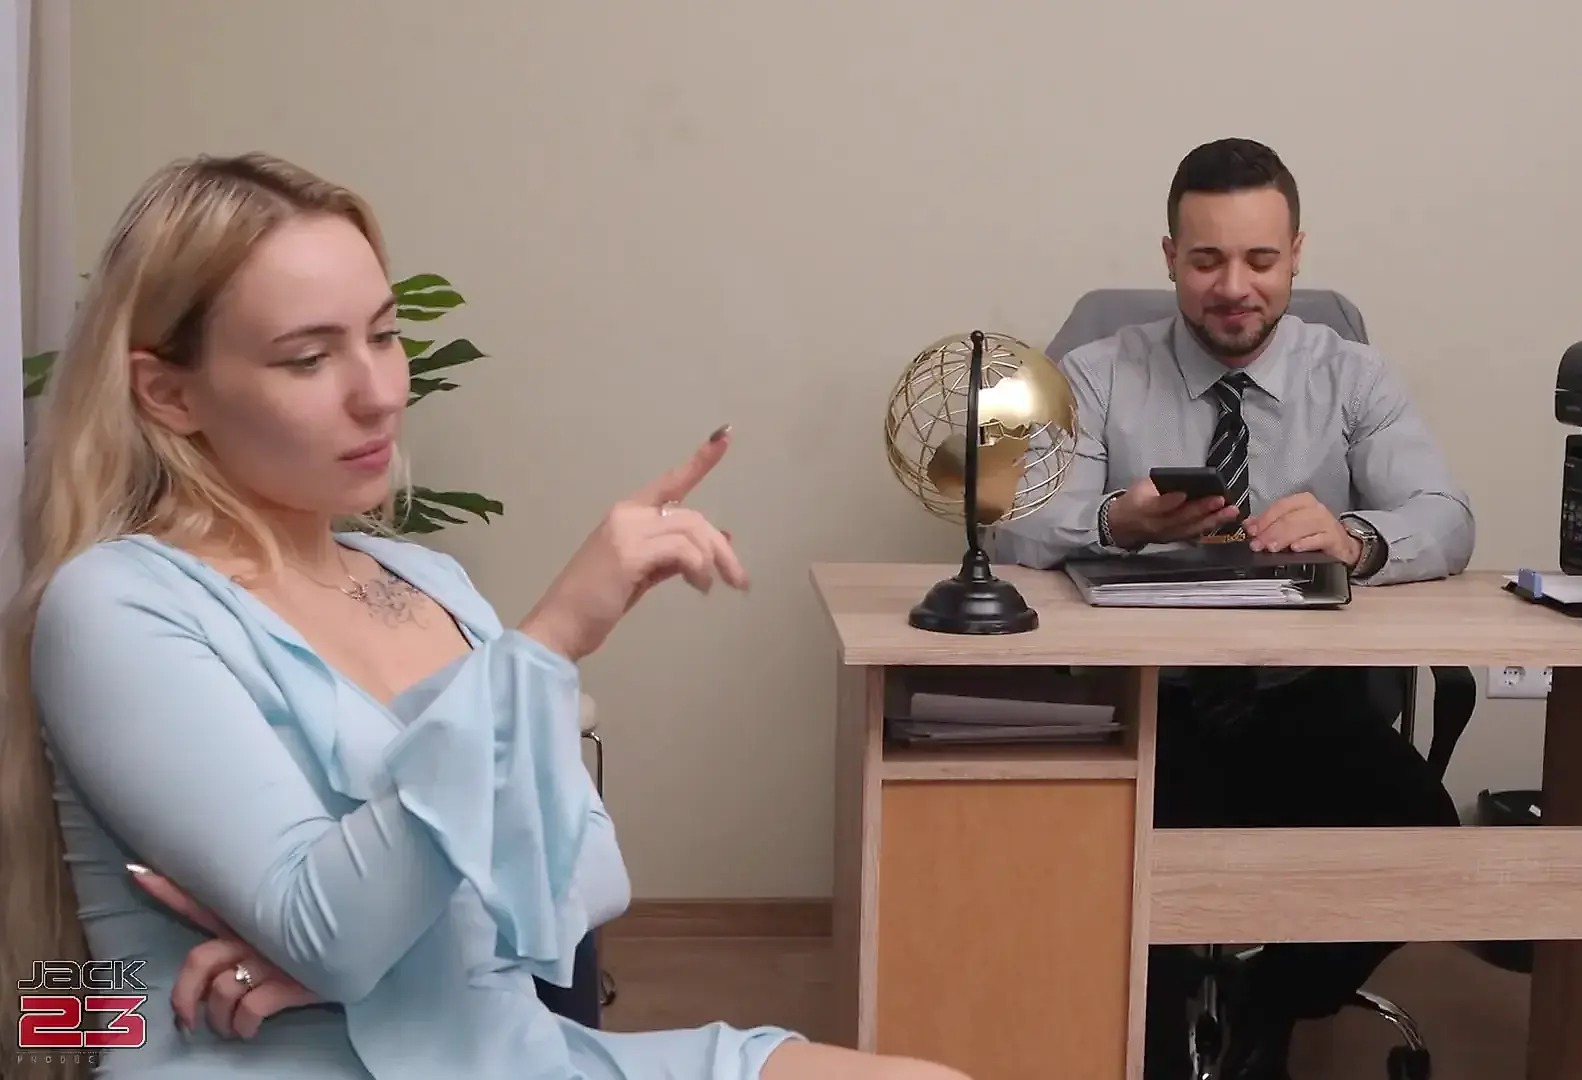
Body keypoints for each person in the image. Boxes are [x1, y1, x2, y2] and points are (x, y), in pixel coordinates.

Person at [0, 152, 970, 1080]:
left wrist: (382, 954)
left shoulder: (427, 580)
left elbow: (590, 878)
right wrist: (552, 636)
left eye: (384, 335)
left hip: (514, 1056)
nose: (380, 393)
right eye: (309, 358)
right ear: (168, 393)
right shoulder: (116, 606)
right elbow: (332, 931)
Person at [993, 138, 1475, 1079]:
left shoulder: (1354, 376)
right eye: (1207, 260)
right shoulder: (1095, 373)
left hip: (1303, 699)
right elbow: (1018, 527)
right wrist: (1118, 520)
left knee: (1417, 828)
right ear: (1170, 257)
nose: (1234, 288)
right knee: (1113, 863)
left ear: (1296, 255)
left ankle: (1268, 1005)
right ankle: (1159, 1031)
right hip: (1147, 703)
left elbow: (1446, 518)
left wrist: (1355, 538)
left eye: (1259, 259)